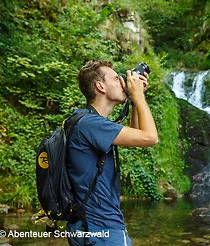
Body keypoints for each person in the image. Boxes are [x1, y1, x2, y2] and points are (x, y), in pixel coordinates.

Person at [66, 60, 158, 246]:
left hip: (84, 225)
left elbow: (137, 137)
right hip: (103, 227)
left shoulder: (84, 121)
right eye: (116, 78)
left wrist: (134, 102)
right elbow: (150, 138)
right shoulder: (91, 124)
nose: (123, 81)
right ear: (100, 86)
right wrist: (139, 95)